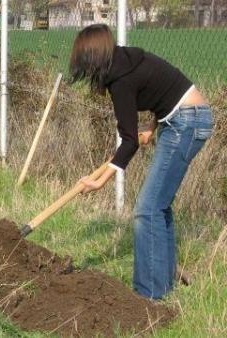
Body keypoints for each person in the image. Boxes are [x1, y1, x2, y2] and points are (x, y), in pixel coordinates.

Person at [70, 24, 214, 300]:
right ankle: (165, 277)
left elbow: (129, 142)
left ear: (92, 60)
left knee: (146, 210)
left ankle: (148, 298)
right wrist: (154, 123)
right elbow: (167, 89)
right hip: (186, 118)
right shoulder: (127, 60)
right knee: (158, 207)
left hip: (186, 124)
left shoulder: (120, 81)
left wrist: (98, 180)